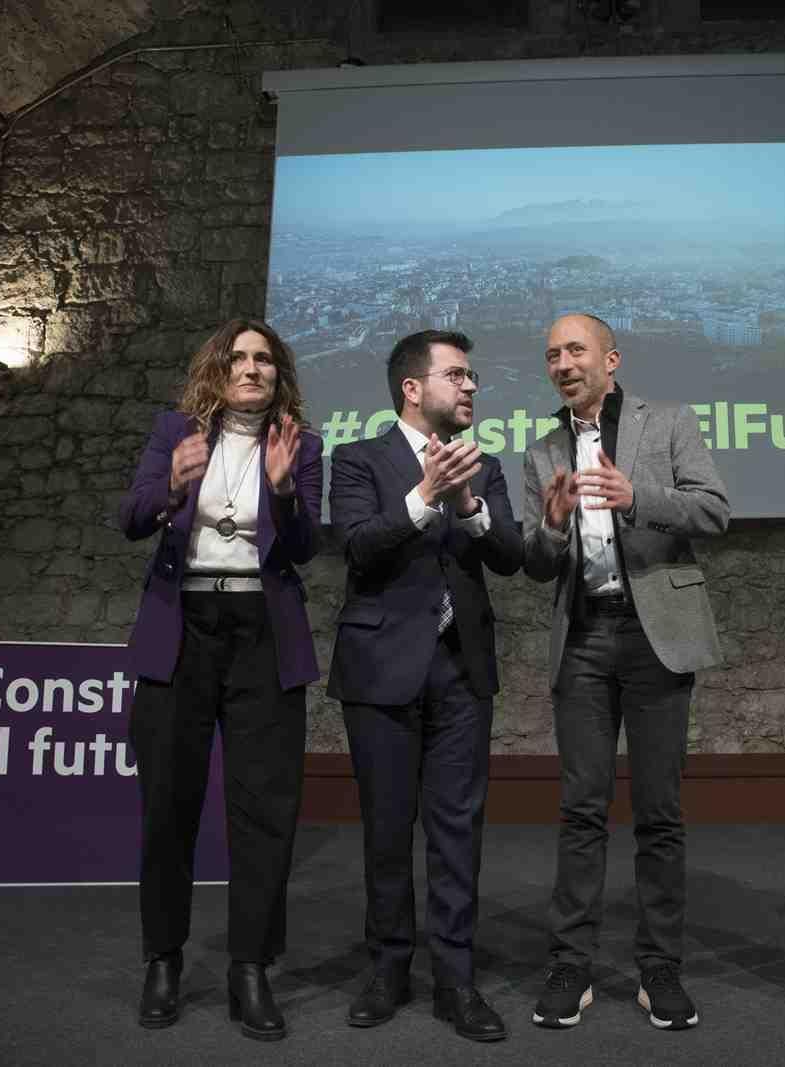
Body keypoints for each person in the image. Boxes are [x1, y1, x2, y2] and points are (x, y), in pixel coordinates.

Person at [522, 313, 729, 1031]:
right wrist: (550, 526)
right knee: (581, 807)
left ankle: (659, 966)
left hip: (655, 634)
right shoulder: (543, 446)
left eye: (574, 349)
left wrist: (637, 496)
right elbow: (537, 562)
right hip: (582, 636)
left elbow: (713, 509)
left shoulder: (666, 421)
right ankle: (570, 965)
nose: (562, 362)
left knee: (658, 810)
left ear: (610, 357)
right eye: (552, 354)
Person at [118, 317, 323, 1041]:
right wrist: (172, 486)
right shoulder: (174, 430)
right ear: (217, 367)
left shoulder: (300, 443)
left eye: (264, 359)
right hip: (183, 627)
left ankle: (250, 968)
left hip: (263, 634)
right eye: (238, 357)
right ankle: (164, 959)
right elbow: (130, 518)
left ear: (278, 373)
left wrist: (285, 492)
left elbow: (304, 546)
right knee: (169, 801)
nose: (251, 368)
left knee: (264, 809)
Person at [327, 329, 523, 1043]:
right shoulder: (357, 459)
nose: (471, 387)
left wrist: (469, 503)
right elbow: (354, 545)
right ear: (413, 388)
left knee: (457, 828)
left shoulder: (486, 464)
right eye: (457, 375)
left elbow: (512, 556)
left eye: (473, 377)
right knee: (386, 825)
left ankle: (455, 980)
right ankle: (386, 969)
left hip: (461, 668)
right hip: (380, 665)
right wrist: (422, 496)